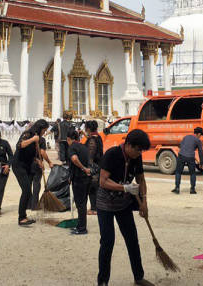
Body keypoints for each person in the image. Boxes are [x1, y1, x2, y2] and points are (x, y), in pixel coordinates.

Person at [96, 129, 154, 286]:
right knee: (107, 242)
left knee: (132, 239)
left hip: (124, 205)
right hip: (105, 204)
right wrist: (125, 188)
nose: (139, 153)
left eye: (141, 150)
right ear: (128, 145)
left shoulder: (136, 157)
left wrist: (144, 202)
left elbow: (141, 179)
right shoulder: (112, 155)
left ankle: (139, 277)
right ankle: (102, 281)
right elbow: (103, 181)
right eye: (138, 149)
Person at [12, 119, 49, 226]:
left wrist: (38, 161)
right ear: (40, 128)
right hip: (18, 165)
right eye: (44, 130)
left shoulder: (38, 138)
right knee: (27, 190)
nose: (44, 132)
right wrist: (33, 139)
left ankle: (23, 216)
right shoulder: (28, 134)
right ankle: (21, 218)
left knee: (27, 191)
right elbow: (19, 145)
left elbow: (32, 154)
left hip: (27, 165)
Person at [68, 129, 91, 235]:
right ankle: (80, 225)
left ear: (69, 139)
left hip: (79, 178)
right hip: (86, 179)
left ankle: (82, 228)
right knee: (83, 203)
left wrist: (83, 168)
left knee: (80, 204)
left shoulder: (72, 147)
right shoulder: (84, 147)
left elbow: (74, 159)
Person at [172, 126, 203, 194]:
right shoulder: (198, 140)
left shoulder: (186, 137)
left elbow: (181, 145)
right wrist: (201, 163)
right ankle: (192, 189)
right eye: (201, 135)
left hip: (181, 155)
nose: (200, 136)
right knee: (192, 173)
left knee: (178, 172)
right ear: (198, 134)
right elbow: (200, 152)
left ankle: (177, 188)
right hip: (190, 157)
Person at [84, 120, 104, 214]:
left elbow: (90, 155)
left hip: (94, 166)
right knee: (95, 188)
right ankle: (95, 207)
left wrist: (89, 169)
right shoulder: (98, 137)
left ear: (88, 129)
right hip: (99, 165)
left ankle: (94, 209)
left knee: (92, 188)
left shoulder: (92, 140)